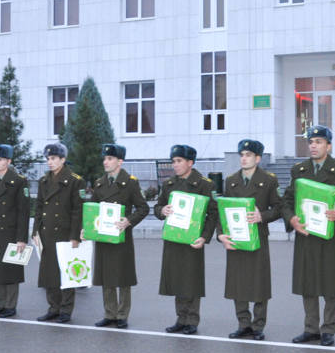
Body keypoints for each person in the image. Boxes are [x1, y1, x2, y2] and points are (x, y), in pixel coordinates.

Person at [282, 126, 335, 347]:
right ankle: (311, 328)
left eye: (318, 142)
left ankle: (328, 329)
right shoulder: (299, 170)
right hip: (305, 234)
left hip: (328, 236)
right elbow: (287, 200)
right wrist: (292, 219)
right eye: (311, 142)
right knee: (308, 283)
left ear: (329, 146)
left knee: (330, 284)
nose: (313, 146)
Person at [218, 139, 281, 341]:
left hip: (257, 237)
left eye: (248, 155)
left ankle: (258, 325)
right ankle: (243, 323)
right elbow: (222, 210)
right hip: (236, 237)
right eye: (242, 155)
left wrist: (262, 216)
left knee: (259, 281)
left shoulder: (268, 180)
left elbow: (279, 208)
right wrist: (221, 234)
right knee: (238, 281)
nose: (244, 159)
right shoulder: (231, 181)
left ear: (258, 158)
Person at [154, 144, 217, 335]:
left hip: (192, 240)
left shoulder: (205, 184)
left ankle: (192, 320)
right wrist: (162, 210)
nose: (175, 165)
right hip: (173, 238)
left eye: (179, 161)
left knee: (191, 280)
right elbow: (157, 207)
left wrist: (204, 237)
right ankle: (181, 319)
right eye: (173, 161)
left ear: (190, 162)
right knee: (177, 279)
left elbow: (213, 214)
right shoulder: (168, 184)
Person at [89, 143, 149, 329]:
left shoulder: (130, 182)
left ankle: (122, 315)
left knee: (122, 277)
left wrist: (128, 221)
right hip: (103, 236)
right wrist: (87, 227)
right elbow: (92, 209)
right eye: (104, 159)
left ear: (120, 161)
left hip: (121, 236)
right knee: (106, 276)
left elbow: (143, 208)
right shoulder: (99, 183)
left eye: (110, 159)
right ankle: (110, 313)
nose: (105, 162)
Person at [32, 143, 84, 323]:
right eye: (48, 159)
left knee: (66, 272)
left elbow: (78, 211)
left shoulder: (75, 181)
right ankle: (53, 308)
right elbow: (39, 208)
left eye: (53, 158)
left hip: (64, 233)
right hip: (47, 232)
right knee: (49, 272)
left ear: (63, 159)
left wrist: (75, 236)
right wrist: (35, 231)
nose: (50, 162)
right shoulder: (44, 180)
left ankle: (65, 310)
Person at [0, 144, 30, 318]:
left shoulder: (18, 181)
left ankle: (10, 305)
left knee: (10, 270)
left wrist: (21, 238)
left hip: (10, 232)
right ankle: (0, 303)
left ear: (8, 161)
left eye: (0, 159)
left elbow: (23, 212)